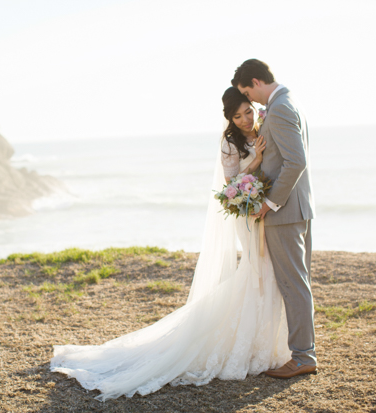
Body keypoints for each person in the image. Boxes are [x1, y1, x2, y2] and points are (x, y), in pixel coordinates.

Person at [50, 84, 292, 401]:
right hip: (246, 214)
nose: (246, 119)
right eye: (238, 116)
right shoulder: (228, 143)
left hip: (263, 209)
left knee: (267, 273)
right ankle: (247, 345)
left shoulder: (262, 127)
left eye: (248, 111)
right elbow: (232, 183)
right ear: (229, 119)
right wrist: (257, 160)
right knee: (256, 270)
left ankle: (267, 343)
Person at [232, 59, 316, 378]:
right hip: (299, 208)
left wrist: (268, 203)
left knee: (292, 284)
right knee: (299, 282)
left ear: (255, 81)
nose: (251, 101)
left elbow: (296, 162)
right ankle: (304, 351)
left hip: (285, 212)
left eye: (248, 93)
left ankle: (303, 356)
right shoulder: (291, 101)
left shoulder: (279, 108)